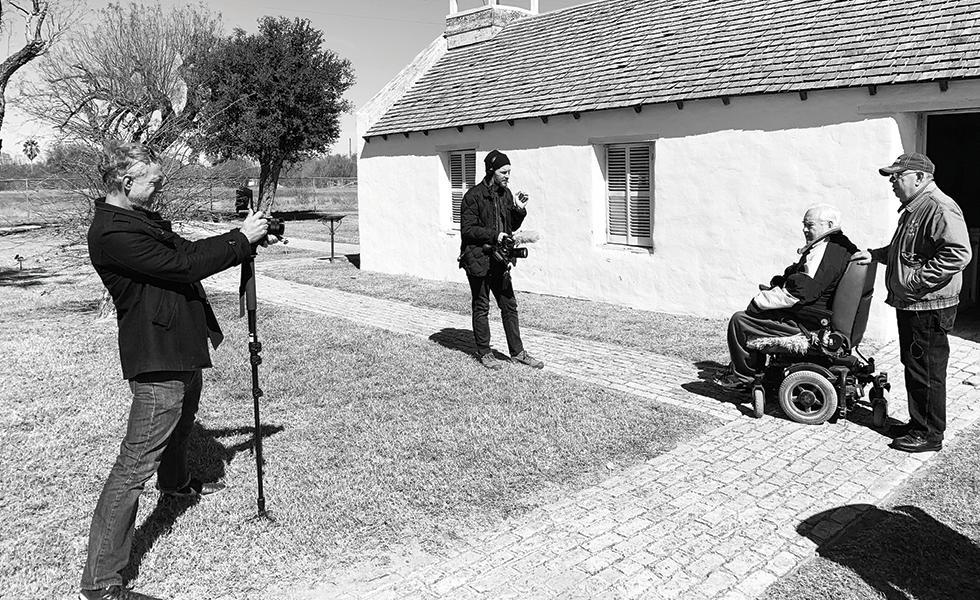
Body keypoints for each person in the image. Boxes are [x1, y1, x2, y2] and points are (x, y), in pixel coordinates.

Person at [80, 142, 273, 600]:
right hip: (158, 354)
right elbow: (181, 264)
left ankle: (177, 485)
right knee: (133, 465)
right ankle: (101, 582)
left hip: (179, 345)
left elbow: (185, 250)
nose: (160, 183)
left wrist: (236, 238)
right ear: (127, 182)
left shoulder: (140, 219)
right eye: (154, 178)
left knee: (182, 427)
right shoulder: (112, 232)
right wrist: (238, 241)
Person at [851, 152, 971, 453]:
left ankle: (929, 434)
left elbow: (958, 253)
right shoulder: (915, 208)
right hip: (915, 304)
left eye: (897, 176)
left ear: (919, 177)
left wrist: (915, 281)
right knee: (916, 366)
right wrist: (877, 256)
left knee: (927, 369)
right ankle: (919, 423)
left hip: (929, 305)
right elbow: (904, 248)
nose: (892, 181)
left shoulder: (939, 207)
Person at [716, 204, 858, 388]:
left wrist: (761, 301)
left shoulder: (825, 250)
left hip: (811, 322)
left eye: (809, 225)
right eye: (804, 224)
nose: (804, 229)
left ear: (829, 224)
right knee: (756, 315)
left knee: (740, 320)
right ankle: (751, 370)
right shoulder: (841, 245)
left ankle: (744, 377)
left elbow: (802, 292)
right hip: (818, 313)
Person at [459, 149, 544, 370]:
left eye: (509, 172)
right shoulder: (473, 196)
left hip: (499, 259)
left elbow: (510, 227)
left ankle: (518, 353)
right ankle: (485, 352)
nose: (508, 176)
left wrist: (519, 209)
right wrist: (493, 235)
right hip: (478, 259)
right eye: (503, 171)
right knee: (481, 306)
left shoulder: (506, 194)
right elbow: (468, 230)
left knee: (509, 305)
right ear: (491, 171)